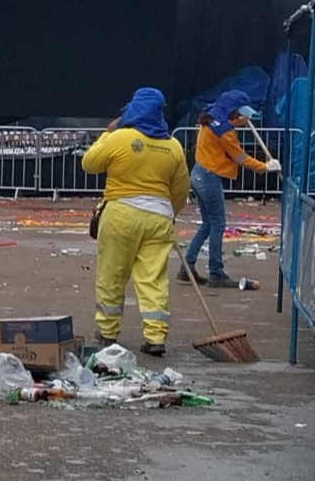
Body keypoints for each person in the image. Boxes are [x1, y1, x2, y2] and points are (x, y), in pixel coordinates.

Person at [81, 88, 190, 356]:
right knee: (153, 278)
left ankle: (108, 332)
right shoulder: (173, 146)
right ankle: (156, 336)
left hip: (121, 214)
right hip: (159, 217)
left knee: (112, 274)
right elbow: (180, 191)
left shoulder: (120, 138)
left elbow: (89, 163)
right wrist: (169, 214)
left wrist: (108, 133)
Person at [181, 90, 282, 287]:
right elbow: (240, 157)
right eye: (240, 113)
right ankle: (216, 272)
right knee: (218, 223)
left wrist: (236, 123)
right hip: (209, 177)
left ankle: (187, 265)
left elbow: (225, 131)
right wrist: (266, 167)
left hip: (199, 173)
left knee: (208, 224)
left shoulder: (210, 117)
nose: (243, 117)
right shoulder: (225, 131)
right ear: (233, 111)